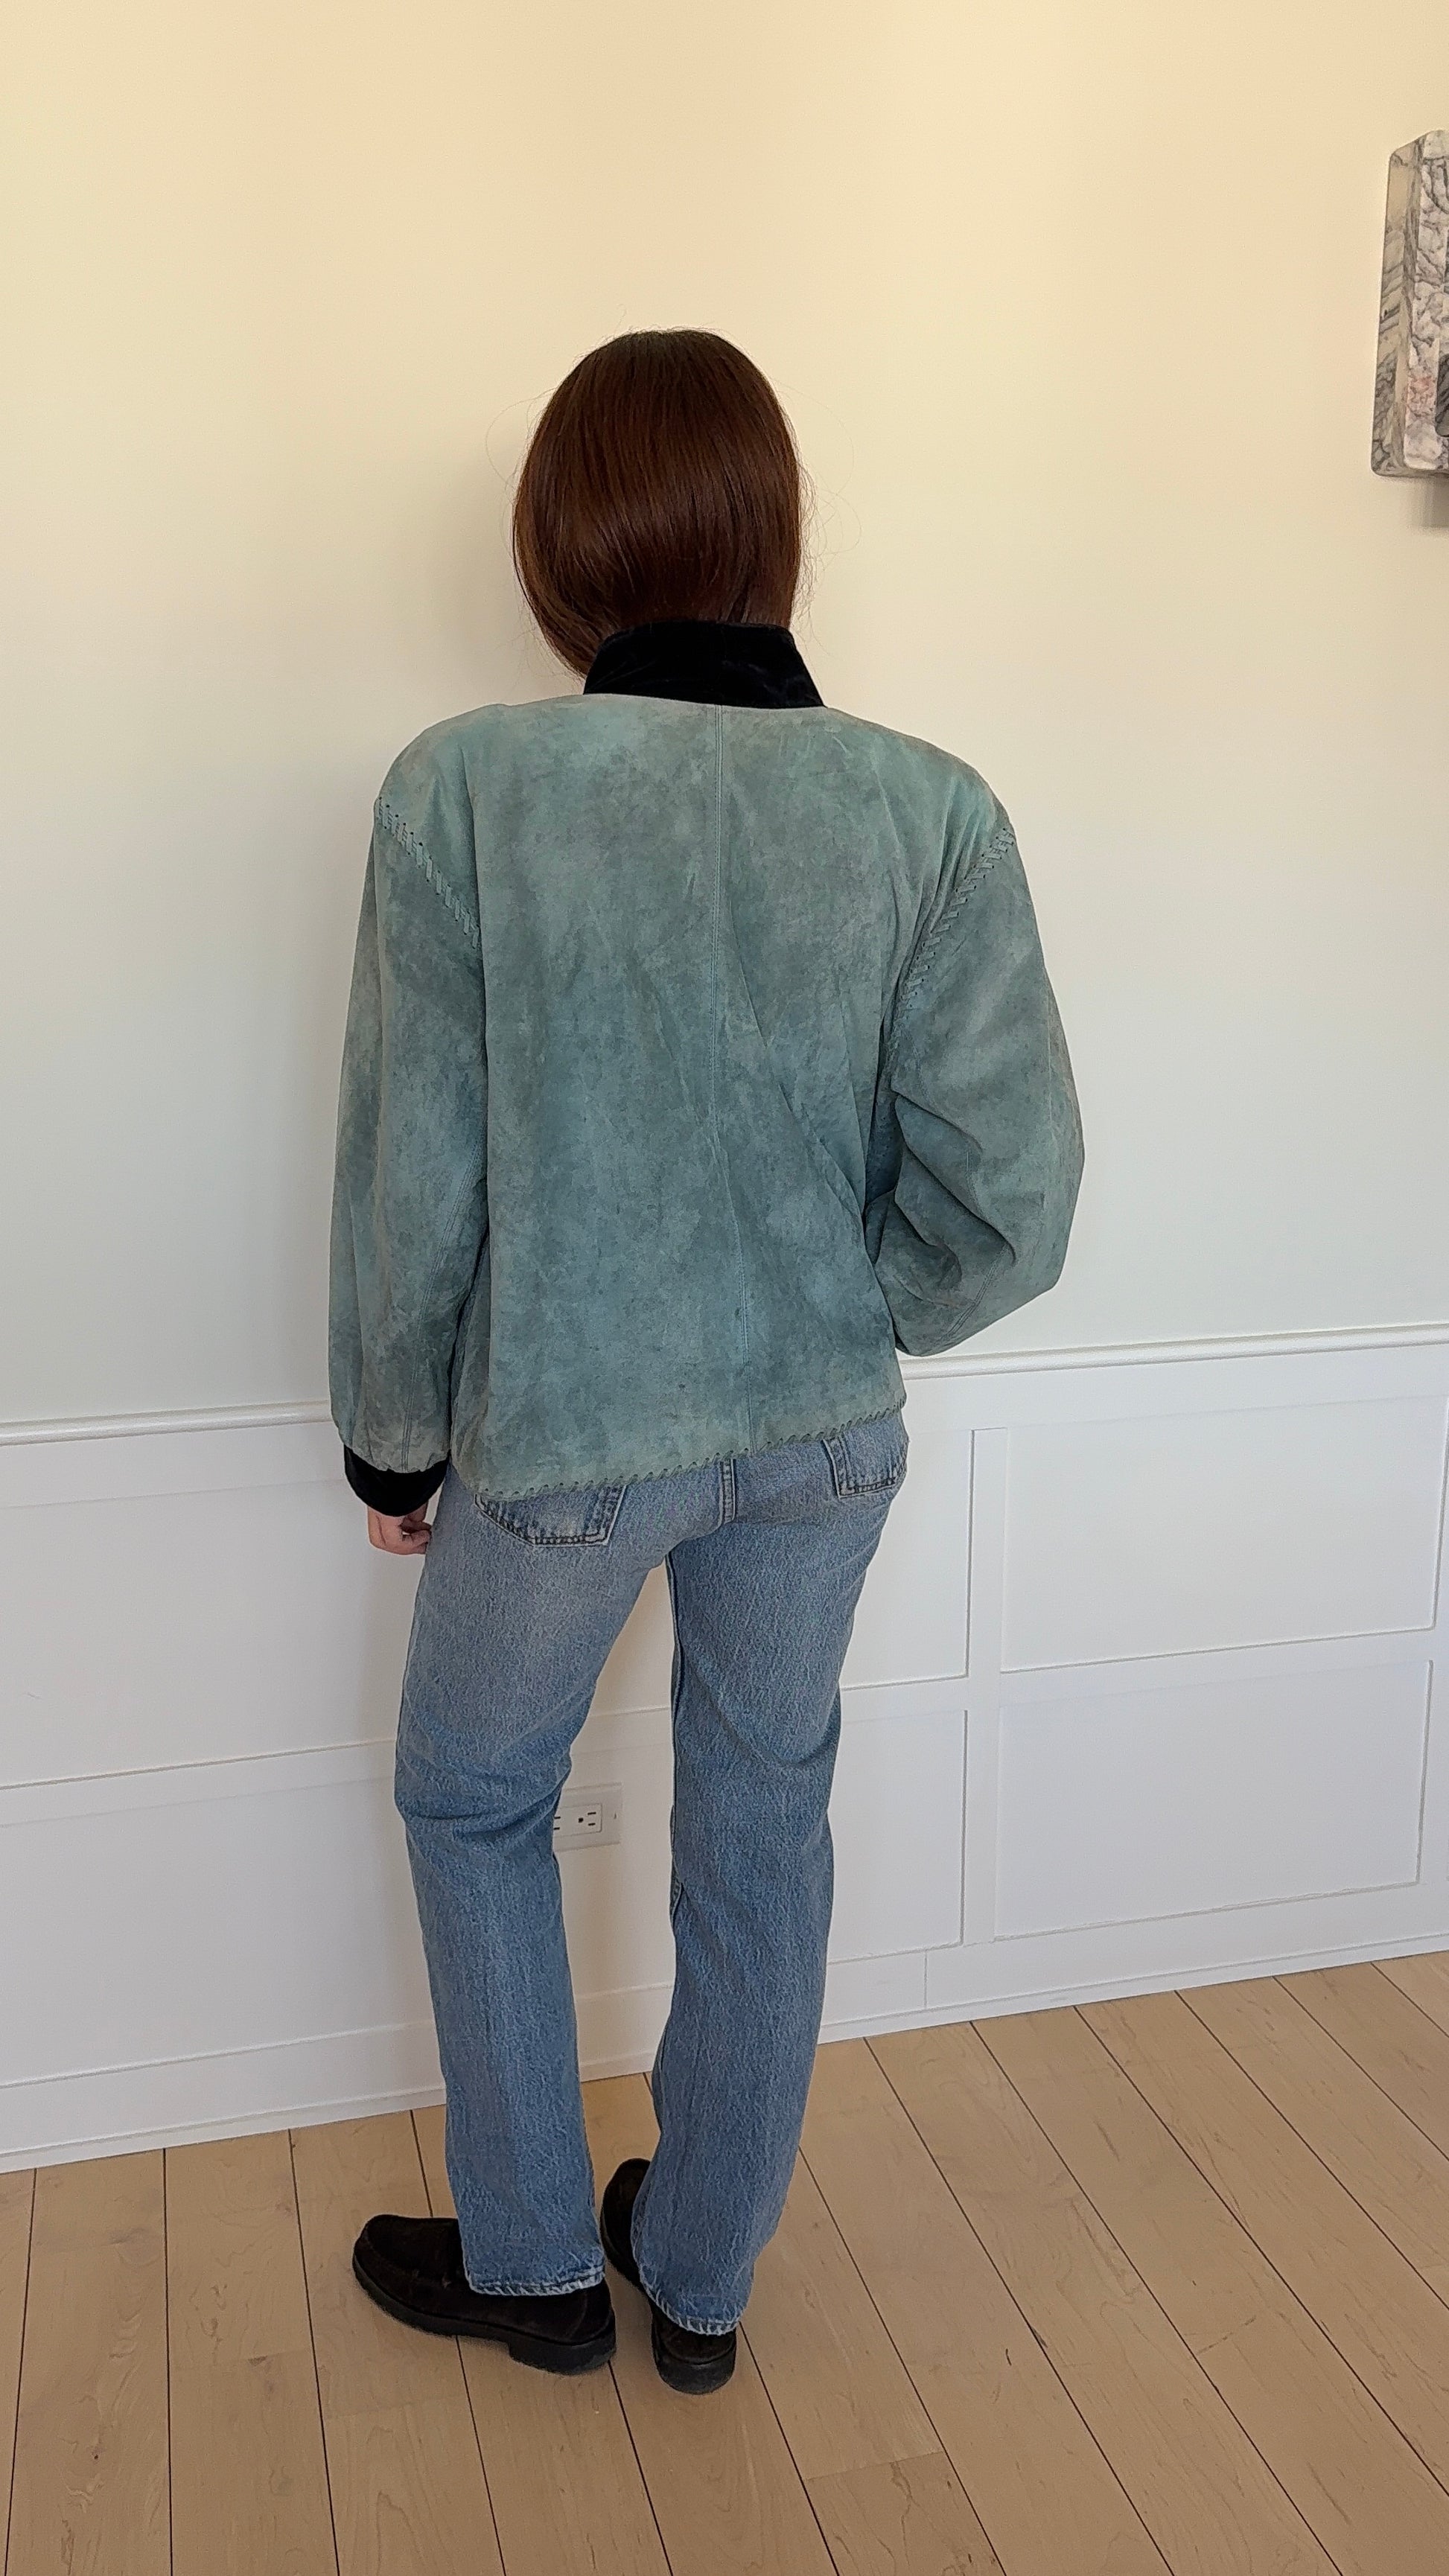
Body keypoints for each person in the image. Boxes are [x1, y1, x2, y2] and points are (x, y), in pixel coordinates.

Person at [331, 329, 1083, 2395]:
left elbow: (414, 1170)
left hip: (564, 1436)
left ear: (558, 543)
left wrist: (394, 1439)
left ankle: (531, 2262)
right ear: (776, 530)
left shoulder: (466, 789)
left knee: (474, 1796)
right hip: (824, 1438)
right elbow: (1015, 1188)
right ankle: (706, 2273)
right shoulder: (925, 805)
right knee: (763, 1826)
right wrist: (860, 1301)